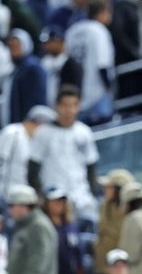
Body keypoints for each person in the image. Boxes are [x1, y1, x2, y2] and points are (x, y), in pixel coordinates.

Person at [28, 86, 99, 222]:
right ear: (57, 107)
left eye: (74, 105)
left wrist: (92, 192)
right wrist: (41, 196)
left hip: (82, 197)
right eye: (65, 105)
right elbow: (33, 169)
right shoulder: (44, 133)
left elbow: (91, 166)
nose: (69, 110)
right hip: (55, 200)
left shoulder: (84, 132)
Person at [0, 105, 55, 203]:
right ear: (36, 123)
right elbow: (0, 162)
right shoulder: (13, 132)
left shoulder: (35, 142)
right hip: (1, 193)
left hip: (21, 199)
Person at [64, 0, 115, 124]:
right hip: (97, 92)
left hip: (75, 92)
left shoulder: (73, 30)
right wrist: (108, 88)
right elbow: (102, 64)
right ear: (101, 13)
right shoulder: (99, 30)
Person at [6, 184, 57, 274]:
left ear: (23, 206)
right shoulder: (25, 226)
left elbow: (39, 258)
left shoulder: (38, 226)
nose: (9, 211)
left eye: (11, 206)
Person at [0, 29, 47, 127]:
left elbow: (37, 101)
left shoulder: (32, 67)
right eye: (10, 46)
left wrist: (30, 123)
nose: (12, 50)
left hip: (28, 124)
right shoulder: (15, 67)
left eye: (16, 46)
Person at [94, 168, 135, 274]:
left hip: (120, 267)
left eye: (109, 187)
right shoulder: (104, 206)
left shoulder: (129, 211)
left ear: (119, 189)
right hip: (102, 265)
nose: (105, 190)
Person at [42, 186, 85, 274]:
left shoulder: (71, 226)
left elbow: (79, 253)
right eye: (54, 201)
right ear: (46, 204)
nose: (57, 204)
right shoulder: (43, 226)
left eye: (60, 201)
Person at [39, 26, 83, 107]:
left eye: (51, 42)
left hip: (64, 108)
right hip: (45, 106)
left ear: (61, 41)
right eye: (45, 43)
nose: (47, 46)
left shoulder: (71, 64)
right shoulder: (43, 63)